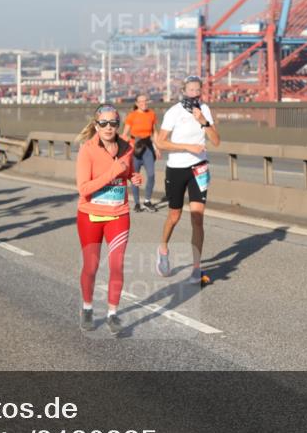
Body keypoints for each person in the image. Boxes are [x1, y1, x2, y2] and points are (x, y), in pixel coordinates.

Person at [75, 104, 142, 334]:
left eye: (113, 123)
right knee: (91, 266)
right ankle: (87, 308)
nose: (108, 127)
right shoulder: (88, 150)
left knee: (117, 264)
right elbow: (83, 188)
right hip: (90, 215)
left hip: (118, 214)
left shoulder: (127, 147)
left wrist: (134, 177)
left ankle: (113, 314)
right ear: (96, 125)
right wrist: (113, 172)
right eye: (103, 123)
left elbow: (127, 170)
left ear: (118, 125)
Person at [155, 76, 220, 285]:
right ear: (184, 90)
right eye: (190, 90)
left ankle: (195, 269)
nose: (194, 93)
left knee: (197, 217)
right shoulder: (174, 112)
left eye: (197, 90)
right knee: (174, 216)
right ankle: (163, 248)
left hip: (199, 168)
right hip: (176, 169)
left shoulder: (205, 109)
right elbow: (161, 143)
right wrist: (187, 147)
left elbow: (216, 141)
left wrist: (204, 122)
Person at [121, 93, 161, 212]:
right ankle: (137, 203)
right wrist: (123, 150)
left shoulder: (152, 114)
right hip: (135, 148)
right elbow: (125, 134)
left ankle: (147, 201)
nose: (144, 103)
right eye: (141, 101)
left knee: (151, 174)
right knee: (135, 177)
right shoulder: (131, 116)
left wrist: (158, 147)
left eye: (145, 101)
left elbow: (155, 132)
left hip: (148, 147)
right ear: (137, 103)